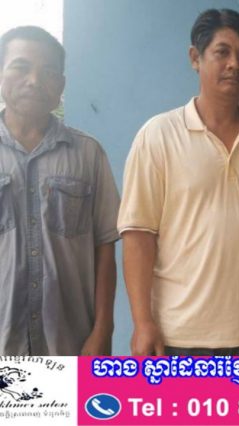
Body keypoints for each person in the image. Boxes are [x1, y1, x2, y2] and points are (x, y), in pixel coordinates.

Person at [118, 9, 239, 356]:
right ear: (195, 58)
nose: (234, 64)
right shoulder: (159, 135)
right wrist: (142, 322)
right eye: (222, 52)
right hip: (177, 336)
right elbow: (138, 234)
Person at [0, 26, 119, 356]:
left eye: (48, 72)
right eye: (21, 67)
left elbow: (105, 248)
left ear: (62, 86)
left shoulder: (88, 154)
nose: (34, 81)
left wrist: (103, 330)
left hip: (71, 346)